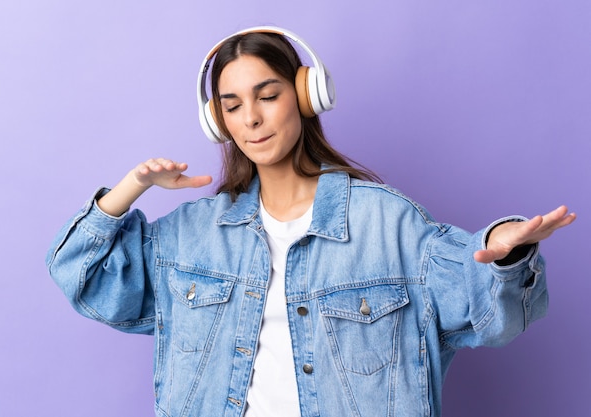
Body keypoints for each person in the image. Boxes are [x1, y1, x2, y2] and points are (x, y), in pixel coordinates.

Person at [46, 26, 576, 417]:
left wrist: (505, 256)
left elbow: (488, 314)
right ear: (219, 122)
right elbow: (84, 278)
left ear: (305, 96)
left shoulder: (386, 223)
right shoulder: (191, 235)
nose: (251, 118)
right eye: (231, 106)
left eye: (268, 96)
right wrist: (130, 188)